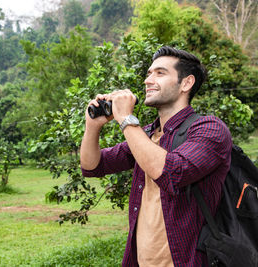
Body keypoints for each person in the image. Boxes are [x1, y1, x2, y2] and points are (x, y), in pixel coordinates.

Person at [80, 46, 232, 266]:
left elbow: (170, 173)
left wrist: (126, 119)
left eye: (160, 73)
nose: (148, 80)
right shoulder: (148, 135)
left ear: (186, 83)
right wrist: (92, 126)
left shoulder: (210, 129)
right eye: (149, 73)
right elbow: (93, 166)